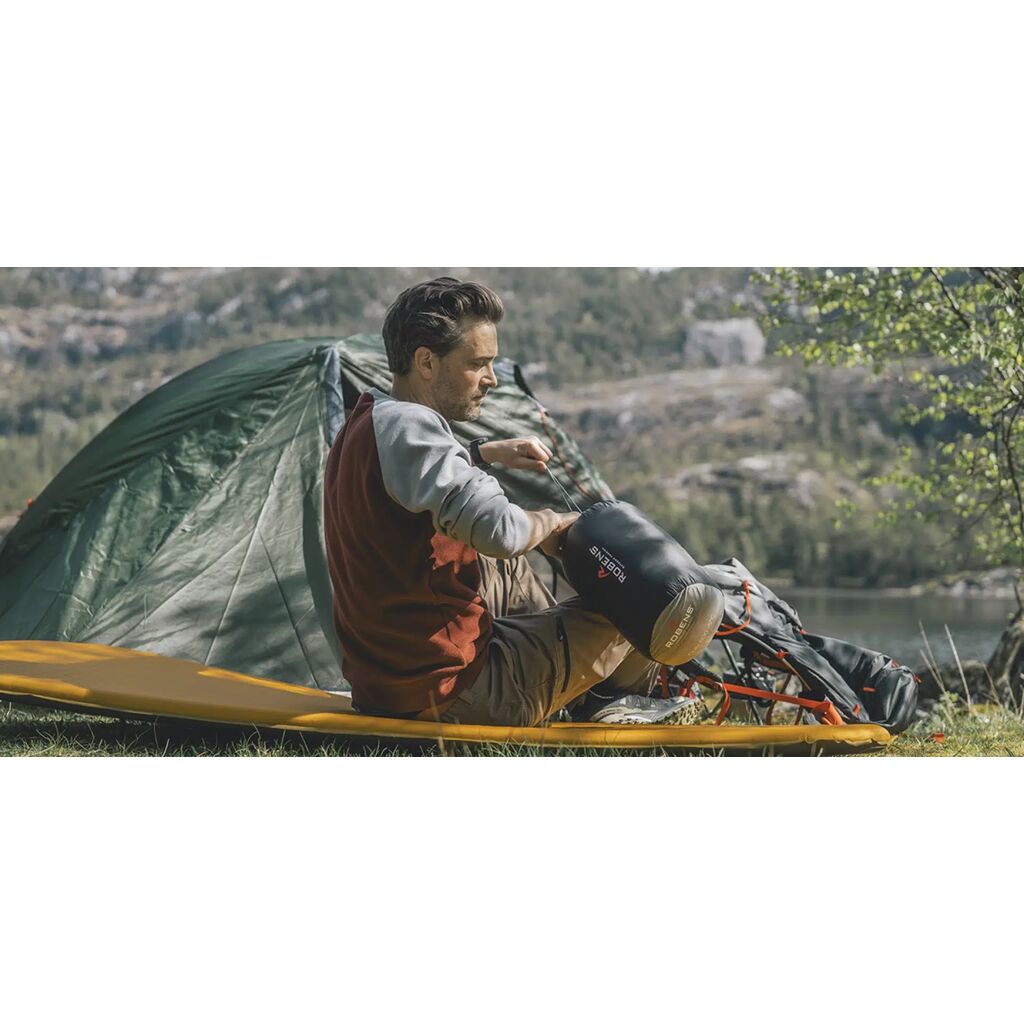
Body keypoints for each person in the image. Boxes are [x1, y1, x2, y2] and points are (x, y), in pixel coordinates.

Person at [322, 276, 710, 727]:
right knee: (641, 597)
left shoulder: (366, 423)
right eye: (478, 364)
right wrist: (555, 523)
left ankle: (568, 676)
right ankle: (606, 703)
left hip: (392, 680)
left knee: (503, 564)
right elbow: (501, 531)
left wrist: (484, 454)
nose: (491, 379)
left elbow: (411, 484)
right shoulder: (411, 426)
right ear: (426, 362)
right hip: (458, 691)